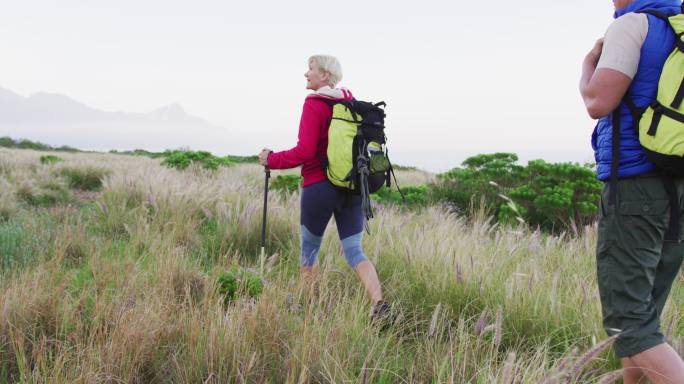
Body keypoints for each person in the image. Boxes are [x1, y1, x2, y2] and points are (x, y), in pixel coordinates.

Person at [580, 0, 684, 382]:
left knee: (629, 324)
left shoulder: (632, 26)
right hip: (678, 186)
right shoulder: (679, 26)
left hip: (635, 189)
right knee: (644, 320)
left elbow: (597, 101)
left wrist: (588, 64)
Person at [258, 55, 390, 320]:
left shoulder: (314, 104)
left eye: (311, 70)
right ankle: (380, 304)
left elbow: (305, 151)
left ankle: (310, 313)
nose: (306, 74)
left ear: (325, 76)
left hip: (319, 187)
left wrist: (270, 159)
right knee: (354, 251)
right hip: (351, 188)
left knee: (309, 252)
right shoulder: (351, 103)